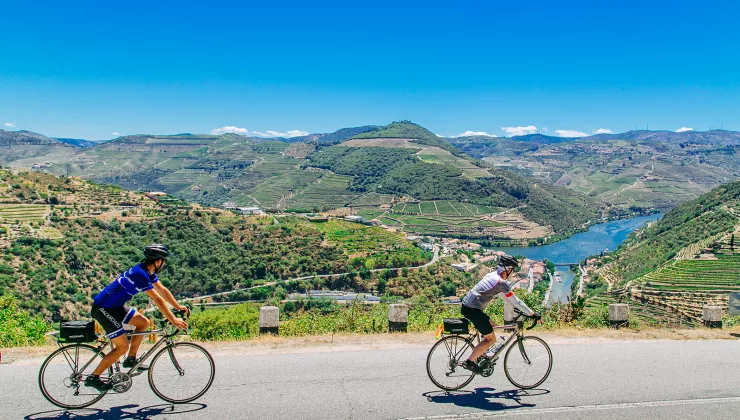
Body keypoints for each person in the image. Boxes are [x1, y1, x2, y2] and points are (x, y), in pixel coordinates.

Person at [85, 244, 189, 391]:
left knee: (143, 323)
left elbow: (162, 290)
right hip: (103, 308)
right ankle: (94, 377)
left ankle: (131, 359)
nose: (163, 264)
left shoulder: (146, 270)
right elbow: (158, 299)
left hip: (114, 306)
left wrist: (178, 306)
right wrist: (173, 319)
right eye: (164, 261)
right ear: (158, 261)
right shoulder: (141, 274)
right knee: (122, 347)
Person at [460, 254, 540, 374]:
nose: (512, 273)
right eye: (512, 271)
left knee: (492, 325)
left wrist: (515, 308)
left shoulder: (493, 276)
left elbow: (506, 298)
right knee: (491, 339)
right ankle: (470, 362)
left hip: (468, 306)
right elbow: (515, 301)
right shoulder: (501, 282)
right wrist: (532, 313)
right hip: (473, 309)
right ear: (507, 269)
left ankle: (484, 355)